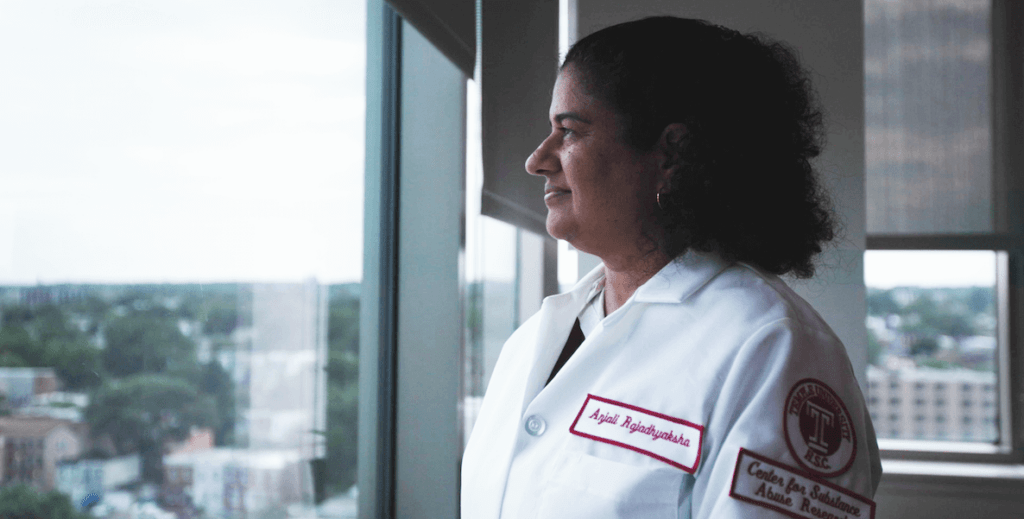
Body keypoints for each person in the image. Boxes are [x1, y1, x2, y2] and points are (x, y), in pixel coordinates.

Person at [462, 16, 881, 519]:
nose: (537, 160)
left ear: (672, 154)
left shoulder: (773, 348)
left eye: (569, 131)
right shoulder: (532, 341)